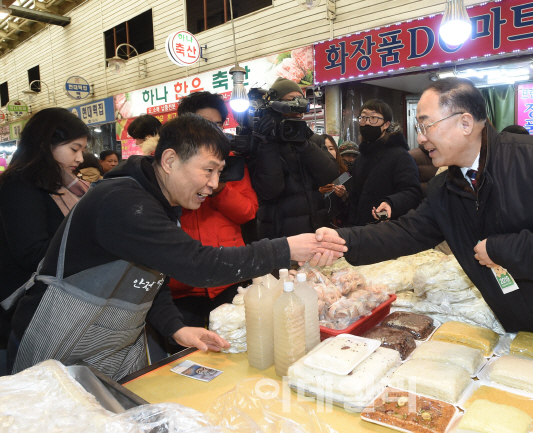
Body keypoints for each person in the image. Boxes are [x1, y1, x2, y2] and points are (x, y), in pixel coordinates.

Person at [317, 78, 533, 365]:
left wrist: (501, 248)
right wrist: (340, 240)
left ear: (465, 123)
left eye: (426, 125)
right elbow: (406, 231)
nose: (420, 137)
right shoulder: (445, 187)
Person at [6, 113, 346, 379]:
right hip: (60, 336)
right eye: (208, 170)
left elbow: (151, 277)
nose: (214, 185)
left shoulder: (158, 202)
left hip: (115, 341)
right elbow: (199, 265)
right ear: (169, 161)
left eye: (220, 172)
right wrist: (287, 248)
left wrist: (175, 327)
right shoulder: (123, 202)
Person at [0, 108, 90, 346]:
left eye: (82, 150)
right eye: (74, 149)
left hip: (54, 307)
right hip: (27, 312)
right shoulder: (19, 185)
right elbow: (31, 253)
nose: (80, 158)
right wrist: (91, 242)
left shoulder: (60, 185)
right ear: (46, 144)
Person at [168, 91, 259, 328]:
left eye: (218, 125)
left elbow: (248, 212)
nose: (213, 132)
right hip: (183, 286)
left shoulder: (231, 164)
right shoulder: (168, 164)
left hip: (229, 275)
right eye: (205, 125)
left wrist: (220, 189)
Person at [247, 77, 341, 239]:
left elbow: (331, 174)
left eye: (300, 100)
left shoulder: (313, 140)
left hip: (317, 230)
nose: (297, 105)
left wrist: (303, 143)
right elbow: (270, 190)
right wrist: (267, 143)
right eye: (291, 100)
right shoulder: (261, 142)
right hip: (279, 235)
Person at [347, 99, 422, 226]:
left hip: (389, 230)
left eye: (373, 118)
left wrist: (391, 203)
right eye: (363, 117)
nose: (367, 123)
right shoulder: (360, 158)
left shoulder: (400, 156)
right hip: (361, 231)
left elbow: (412, 192)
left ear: (386, 124)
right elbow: (355, 198)